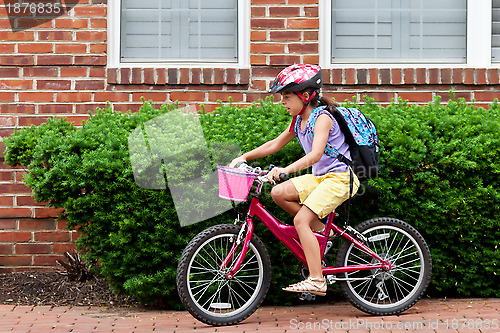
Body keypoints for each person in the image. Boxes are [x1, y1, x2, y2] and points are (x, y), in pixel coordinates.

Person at [229, 64, 360, 296]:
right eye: (282, 97)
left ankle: (317, 280)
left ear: (306, 95)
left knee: (300, 221)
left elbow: (315, 155)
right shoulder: (298, 121)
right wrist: (244, 156)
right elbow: (274, 144)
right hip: (321, 178)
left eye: (287, 96)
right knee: (278, 193)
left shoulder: (322, 118)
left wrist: (286, 169)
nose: (283, 102)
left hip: (339, 179)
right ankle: (323, 232)